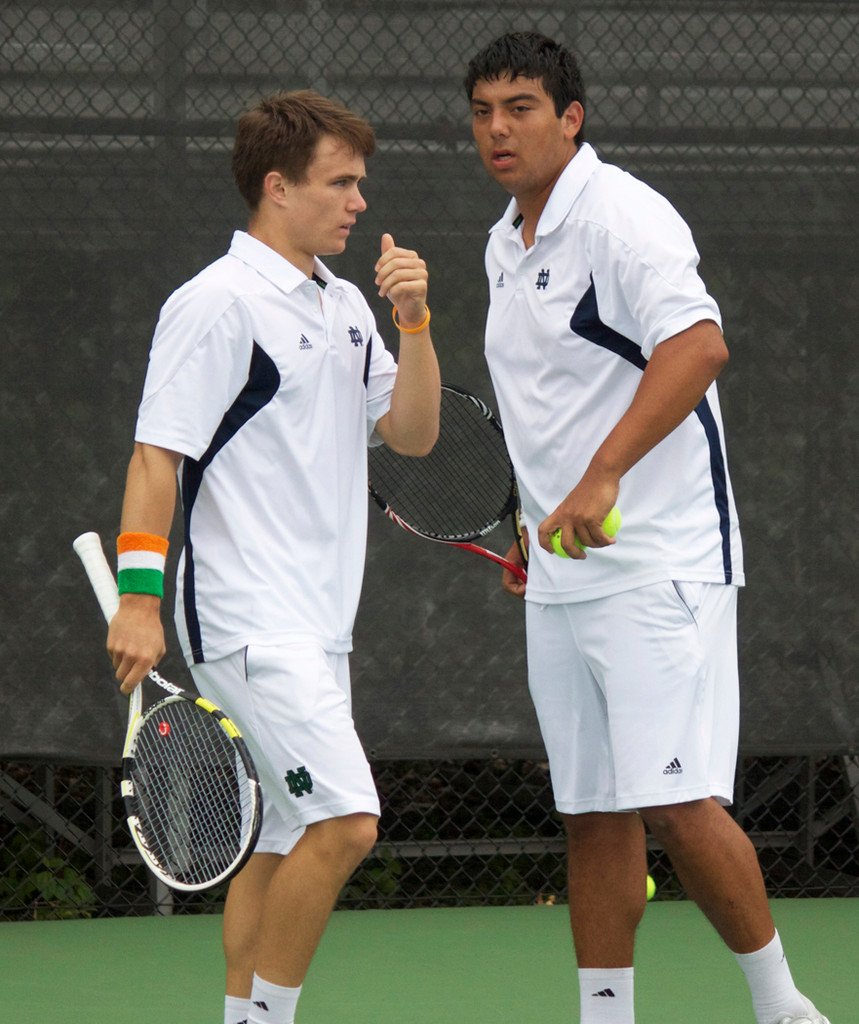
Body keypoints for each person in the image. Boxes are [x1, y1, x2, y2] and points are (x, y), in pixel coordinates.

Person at [464, 31, 831, 1024]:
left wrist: (602, 477)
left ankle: (782, 1007)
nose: (498, 128)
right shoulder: (505, 241)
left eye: (521, 107)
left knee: (675, 800)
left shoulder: (625, 217)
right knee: (589, 807)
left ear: (570, 117)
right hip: (561, 567)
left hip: (659, 557)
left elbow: (698, 345)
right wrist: (533, 526)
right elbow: (553, 403)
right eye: (483, 110)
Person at [106, 90, 440, 1024]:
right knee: (346, 823)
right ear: (278, 187)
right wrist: (139, 599)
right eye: (341, 183)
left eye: (360, 183)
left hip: (319, 621)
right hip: (248, 614)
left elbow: (411, 435)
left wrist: (412, 323)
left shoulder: (342, 305)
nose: (358, 202)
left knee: (283, 837)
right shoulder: (215, 304)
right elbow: (154, 456)